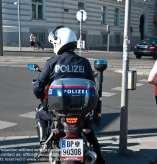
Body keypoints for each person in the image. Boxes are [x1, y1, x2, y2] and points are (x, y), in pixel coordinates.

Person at [32, 26, 105, 164]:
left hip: (58, 114)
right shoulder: (84, 62)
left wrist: (40, 94)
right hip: (81, 113)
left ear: (58, 42)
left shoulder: (52, 62)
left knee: (39, 113)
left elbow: (38, 88)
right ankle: (100, 157)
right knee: (88, 130)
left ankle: (43, 145)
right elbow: (92, 84)